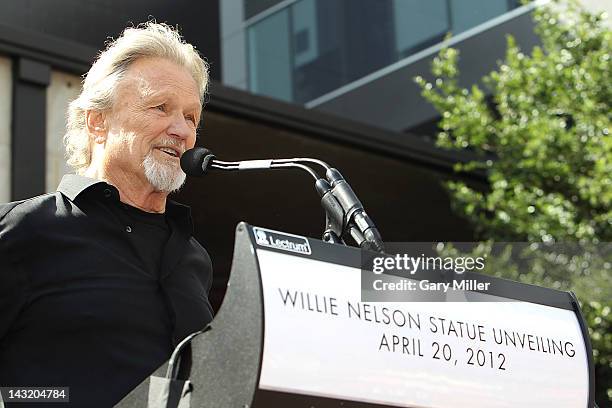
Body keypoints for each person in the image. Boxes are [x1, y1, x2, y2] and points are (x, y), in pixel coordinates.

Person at [0, 22, 213, 407]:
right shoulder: (23, 231)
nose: (181, 130)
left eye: (191, 117)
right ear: (98, 122)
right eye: (160, 107)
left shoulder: (194, 259)